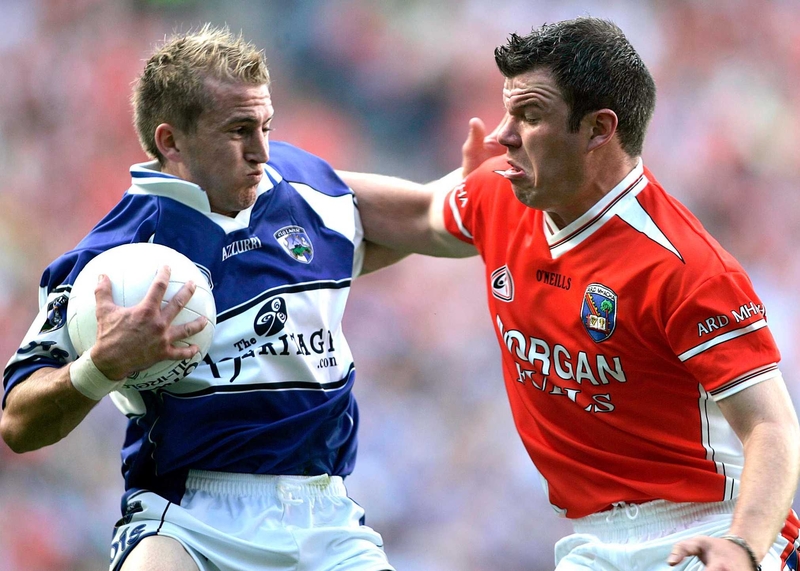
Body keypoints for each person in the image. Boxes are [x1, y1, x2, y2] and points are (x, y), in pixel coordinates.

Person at [341, 17, 800, 571]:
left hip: (705, 528)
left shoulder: (685, 267)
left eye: (530, 116)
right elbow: (409, 213)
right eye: (507, 110)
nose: (501, 135)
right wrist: (270, 179)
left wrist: (744, 545)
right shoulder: (501, 193)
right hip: (590, 542)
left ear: (598, 129)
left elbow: (772, 426)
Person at [1, 25, 396, 571]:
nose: (262, 151)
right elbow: (17, 422)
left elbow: (435, 217)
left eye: (266, 127)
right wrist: (102, 364)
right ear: (171, 140)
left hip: (324, 516)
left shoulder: (304, 197)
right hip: (186, 517)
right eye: (239, 130)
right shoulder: (107, 262)